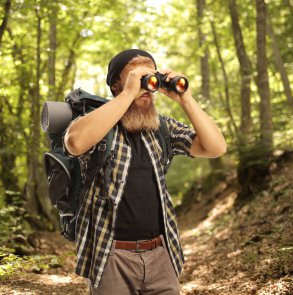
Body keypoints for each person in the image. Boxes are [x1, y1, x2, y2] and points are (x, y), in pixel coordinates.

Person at [63, 49, 226, 294]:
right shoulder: (99, 124)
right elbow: (74, 142)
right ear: (117, 85)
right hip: (110, 255)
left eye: (150, 78)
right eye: (137, 78)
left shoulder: (162, 127)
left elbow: (216, 147)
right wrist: (129, 93)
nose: (146, 87)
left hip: (161, 253)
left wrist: (186, 100)